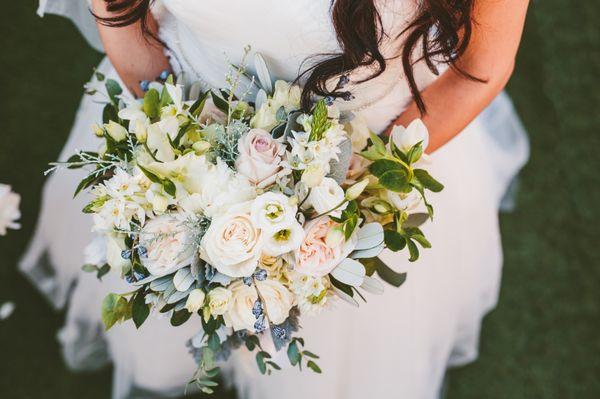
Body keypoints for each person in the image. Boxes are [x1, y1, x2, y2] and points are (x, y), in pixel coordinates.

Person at [22, 0, 530, 398]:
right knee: (168, 326)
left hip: (362, 166)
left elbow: (481, 66)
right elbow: (119, 13)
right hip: (185, 124)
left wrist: (358, 183)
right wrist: (175, 149)